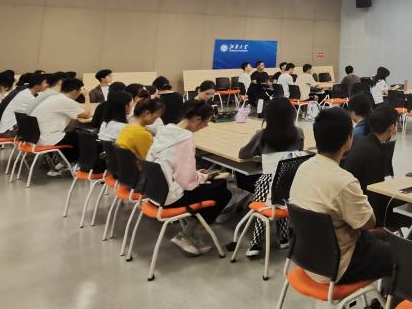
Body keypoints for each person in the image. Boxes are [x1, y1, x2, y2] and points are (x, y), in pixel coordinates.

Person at [289, 106, 393, 284]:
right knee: (402, 253)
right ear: (348, 140)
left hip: (307, 260)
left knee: (386, 239)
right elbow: (368, 223)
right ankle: (391, 301)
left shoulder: (303, 168)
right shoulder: (344, 181)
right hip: (337, 266)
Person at [146, 101, 232, 256]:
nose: (206, 126)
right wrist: (204, 177)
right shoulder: (184, 140)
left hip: (153, 192)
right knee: (223, 191)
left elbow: (172, 167)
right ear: (197, 119)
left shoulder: (165, 131)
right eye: (206, 122)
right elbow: (187, 182)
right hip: (170, 197)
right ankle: (187, 234)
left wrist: (198, 175)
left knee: (215, 184)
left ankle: (190, 228)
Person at [238, 96, 305, 257]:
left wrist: (260, 153)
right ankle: (283, 238)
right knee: (280, 200)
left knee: (263, 206)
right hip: (290, 182)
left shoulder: (262, 134)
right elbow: (297, 154)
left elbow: (243, 154)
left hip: (267, 181)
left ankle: (256, 243)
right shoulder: (299, 133)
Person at [343, 105, 398, 224]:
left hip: (349, 206)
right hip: (361, 216)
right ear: (392, 127)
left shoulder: (361, 141)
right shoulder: (374, 152)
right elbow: (375, 194)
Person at [31, 78, 92, 164]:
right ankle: (76, 165)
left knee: (75, 136)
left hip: (38, 137)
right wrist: (87, 96)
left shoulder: (55, 97)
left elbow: (73, 120)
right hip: (50, 138)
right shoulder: (65, 101)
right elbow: (87, 114)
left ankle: (64, 164)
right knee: (87, 139)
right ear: (74, 91)